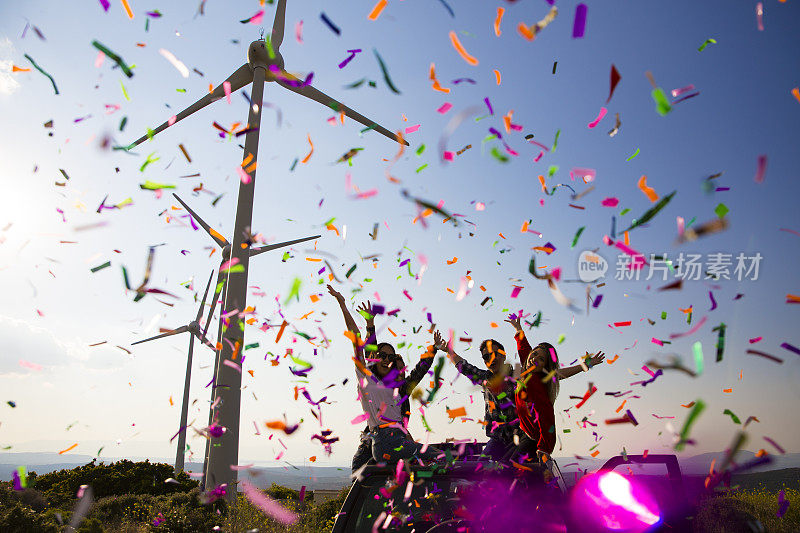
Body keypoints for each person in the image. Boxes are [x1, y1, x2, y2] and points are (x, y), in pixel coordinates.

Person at [328, 285, 441, 467]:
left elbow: (418, 372)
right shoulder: (367, 379)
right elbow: (357, 339)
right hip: (382, 441)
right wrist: (346, 307)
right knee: (439, 457)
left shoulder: (398, 389)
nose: (386, 360)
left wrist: (433, 349)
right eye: (382, 356)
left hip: (396, 440)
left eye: (391, 357)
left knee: (427, 463)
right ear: (375, 358)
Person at [507, 315, 605, 463]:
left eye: (541, 359)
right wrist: (518, 329)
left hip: (534, 441)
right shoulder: (529, 372)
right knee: (503, 466)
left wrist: (544, 448)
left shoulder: (536, 381)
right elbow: (525, 348)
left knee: (504, 469)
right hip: (523, 433)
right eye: (535, 354)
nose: (534, 358)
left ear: (544, 367)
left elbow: (546, 416)